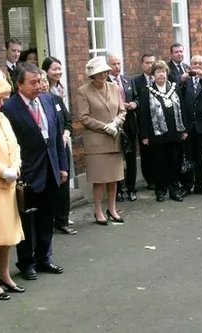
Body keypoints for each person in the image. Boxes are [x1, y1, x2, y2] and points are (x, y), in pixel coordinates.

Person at [2, 63, 68, 281]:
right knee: (27, 220)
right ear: (19, 84)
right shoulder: (9, 108)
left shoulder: (49, 100)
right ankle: (26, 263)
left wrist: (62, 166)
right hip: (27, 172)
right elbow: (8, 144)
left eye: (40, 81)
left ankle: (44, 258)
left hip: (51, 167)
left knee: (46, 216)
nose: (39, 86)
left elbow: (57, 137)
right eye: (33, 82)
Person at [0, 69, 25, 300]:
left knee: (7, 235)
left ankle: (5, 275)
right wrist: (2, 171)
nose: (1, 102)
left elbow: (14, 144)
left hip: (7, 185)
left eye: (2, 97)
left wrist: (16, 166)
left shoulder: (0, 117)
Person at [77, 56, 126, 225]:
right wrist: (104, 127)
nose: (103, 75)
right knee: (99, 179)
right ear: (92, 75)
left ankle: (111, 208)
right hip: (97, 142)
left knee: (114, 178)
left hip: (114, 139)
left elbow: (122, 111)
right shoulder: (83, 91)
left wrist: (116, 123)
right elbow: (83, 117)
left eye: (105, 71)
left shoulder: (114, 88)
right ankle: (98, 211)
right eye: (99, 72)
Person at [138, 60, 187, 202]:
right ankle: (160, 191)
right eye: (158, 71)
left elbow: (182, 108)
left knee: (174, 162)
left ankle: (174, 190)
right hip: (157, 134)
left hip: (175, 132)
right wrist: (145, 135)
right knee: (159, 163)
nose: (161, 74)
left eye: (163, 71)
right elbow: (144, 115)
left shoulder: (175, 87)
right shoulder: (146, 91)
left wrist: (184, 129)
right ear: (153, 75)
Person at [38, 69, 76, 235]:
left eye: (46, 80)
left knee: (63, 185)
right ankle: (49, 220)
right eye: (41, 81)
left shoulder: (56, 100)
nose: (44, 84)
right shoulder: (35, 104)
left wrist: (66, 134)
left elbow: (68, 121)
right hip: (46, 150)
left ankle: (62, 220)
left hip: (61, 147)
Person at [181, 55, 202, 196]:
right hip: (188, 126)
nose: (197, 66)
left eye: (200, 64)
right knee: (189, 157)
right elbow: (179, 97)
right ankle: (187, 186)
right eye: (194, 63)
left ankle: (200, 185)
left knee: (201, 157)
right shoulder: (185, 81)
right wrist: (182, 81)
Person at [107, 54, 138, 202]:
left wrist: (134, 104)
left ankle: (131, 188)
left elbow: (137, 97)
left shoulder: (127, 80)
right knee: (116, 160)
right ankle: (118, 190)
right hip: (115, 126)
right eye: (113, 64)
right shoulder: (105, 83)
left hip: (130, 125)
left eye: (119, 63)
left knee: (131, 158)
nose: (117, 67)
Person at [133, 53, 157, 191]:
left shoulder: (161, 79)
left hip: (159, 122)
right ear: (142, 65)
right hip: (144, 122)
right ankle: (150, 180)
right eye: (147, 63)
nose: (150, 65)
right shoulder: (136, 82)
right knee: (146, 153)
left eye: (152, 62)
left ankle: (161, 178)